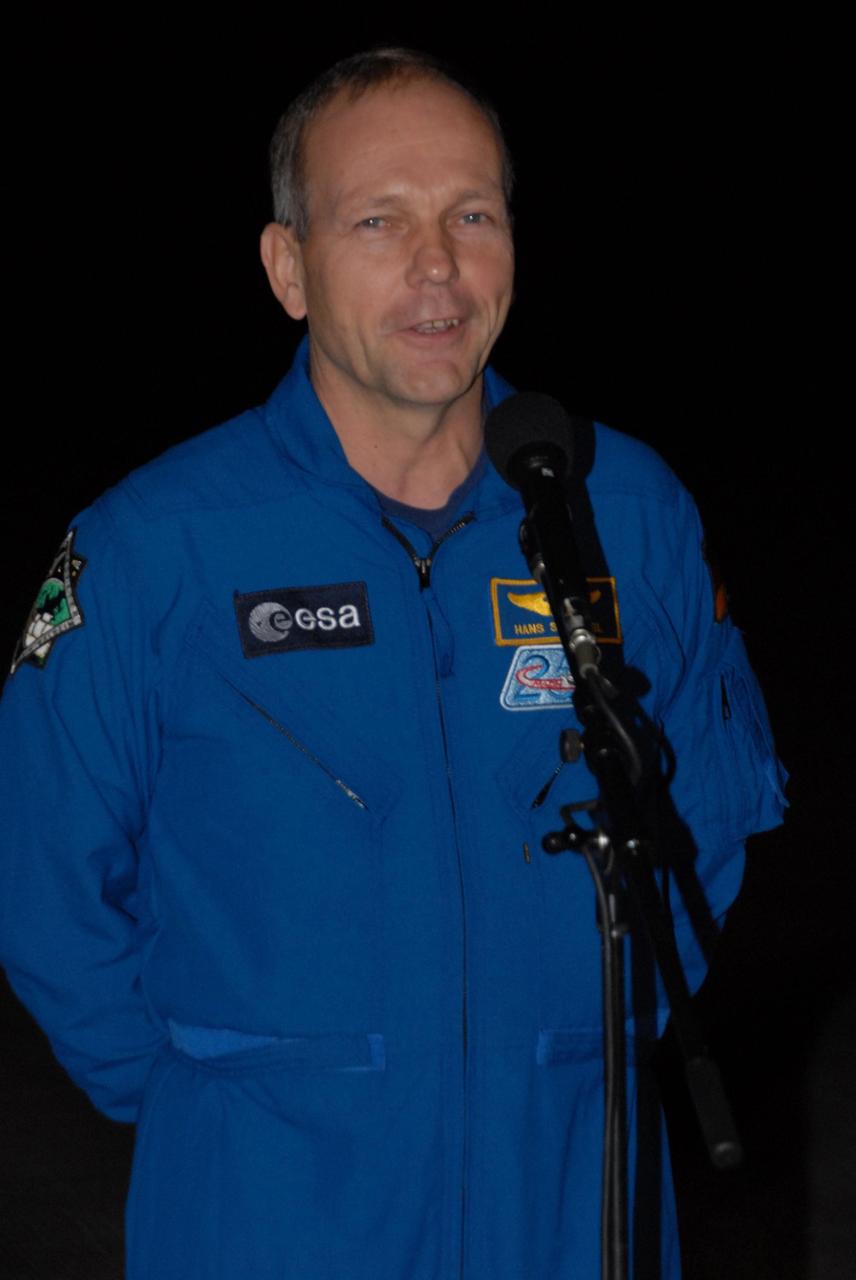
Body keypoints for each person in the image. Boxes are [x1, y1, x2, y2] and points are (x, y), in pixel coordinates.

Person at [0, 48, 786, 1280]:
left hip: (575, 1195)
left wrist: (585, 1043)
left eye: (471, 214)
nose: (439, 264)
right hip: (268, 1210)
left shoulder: (621, 511)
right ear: (288, 267)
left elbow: (714, 817)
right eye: (381, 220)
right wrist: (218, 1096)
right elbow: (42, 882)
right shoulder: (155, 549)